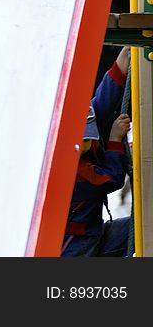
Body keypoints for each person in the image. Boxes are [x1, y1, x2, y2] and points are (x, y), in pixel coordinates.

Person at [62, 47, 132, 257]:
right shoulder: (76, 173)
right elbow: (112, 178)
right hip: (76, 244)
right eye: (84, 139)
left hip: (94, 232)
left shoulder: (78, 142)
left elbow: (100, 106)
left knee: (139, 227)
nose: (89, 142)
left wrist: (121, 65)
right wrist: (114, 140)